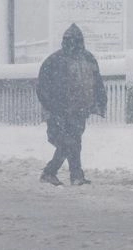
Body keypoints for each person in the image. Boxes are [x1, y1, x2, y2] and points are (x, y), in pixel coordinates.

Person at [36, 23, 107, 186]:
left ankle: (75, 175)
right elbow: (42, 87)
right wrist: (53, 107)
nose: (73, 45)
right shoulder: (55, 61)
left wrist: (99, 100)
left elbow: (97, 82)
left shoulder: (87, 58)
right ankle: (53, 172)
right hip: (59, 111)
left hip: (79, 110)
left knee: (74, 143)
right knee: (67, 143)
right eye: (70, 41)